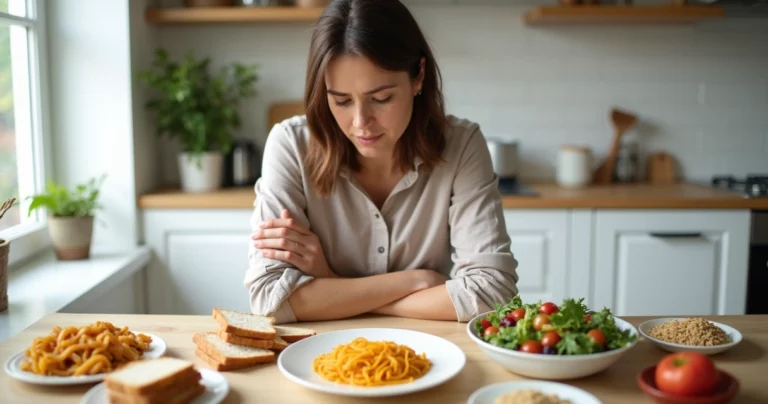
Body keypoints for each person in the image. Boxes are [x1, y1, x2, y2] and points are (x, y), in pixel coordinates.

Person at [245, 0, 519, 325]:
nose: (361, 122)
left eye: (381, 98)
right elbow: (269, 299)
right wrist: (415, 281)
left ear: (418, 76)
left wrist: (333, 285)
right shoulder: (290, 144)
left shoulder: (461, 145)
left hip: (429, 355)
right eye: (341, 101)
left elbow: (494, 293)